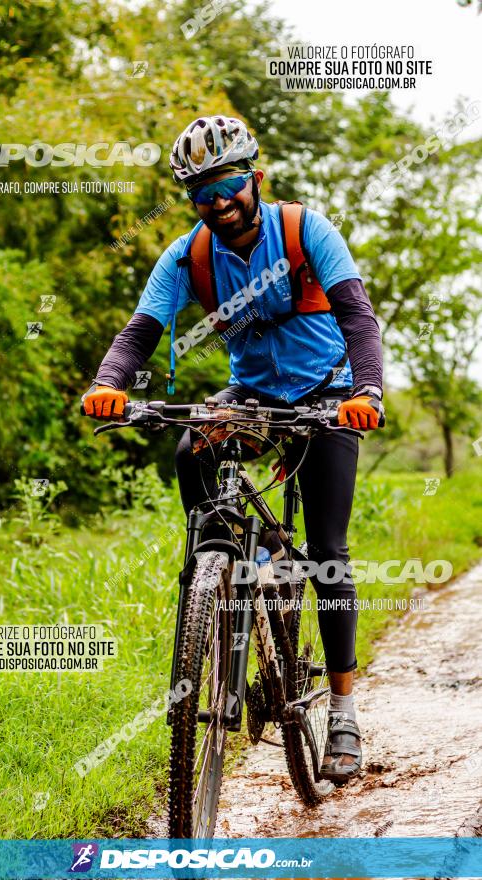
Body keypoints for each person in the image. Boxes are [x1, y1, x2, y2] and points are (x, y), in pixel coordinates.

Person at [82, 115, 385, 783]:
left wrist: (365, 391)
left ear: (253, 178)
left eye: (227, 185)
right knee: (194, 446)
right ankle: (217, 576)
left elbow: (357, 316)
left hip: (326, 392)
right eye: (201, 191)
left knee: (329, 553)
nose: (217, 202)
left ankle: (341, 709)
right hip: (249, 394)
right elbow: (140, 330)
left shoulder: (306, 231)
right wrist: (108, 383)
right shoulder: (187, 255)